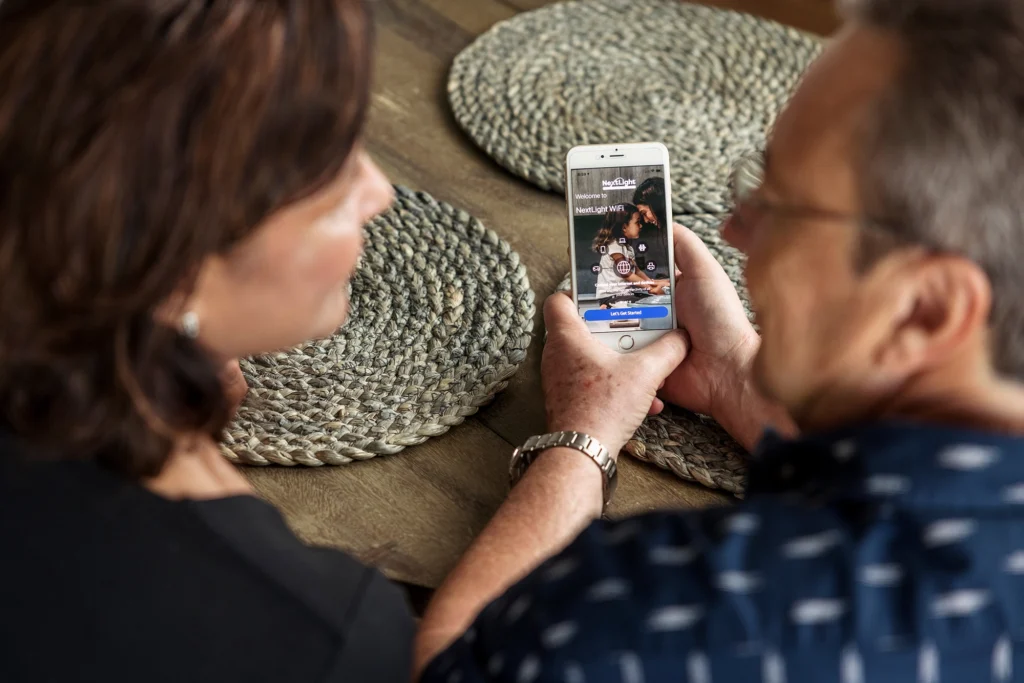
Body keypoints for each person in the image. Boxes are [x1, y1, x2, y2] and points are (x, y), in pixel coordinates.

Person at [415, 0, 1024, 681]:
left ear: (927, 312)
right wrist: (738, 375)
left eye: (780, 203)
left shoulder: (676, 609)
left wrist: (581, 437)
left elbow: (449, 662)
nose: (734, 230)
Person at [0, 1, 414, 682]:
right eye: (334, 187)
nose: (380, 192)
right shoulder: (309, 634)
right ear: (174, 277)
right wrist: (583, 441)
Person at [591, 204, 669, 305]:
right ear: (624, 227)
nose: (641, 226)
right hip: (611, 296)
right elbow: (626, 273)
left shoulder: (628, 248)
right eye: (637, 222)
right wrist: (650, 288)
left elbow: (636, 271)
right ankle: (607, 306)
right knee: (649, 303)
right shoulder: (614, 246)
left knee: (651, 299)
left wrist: (652, 284)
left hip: (623, 294)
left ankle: (609, 307)